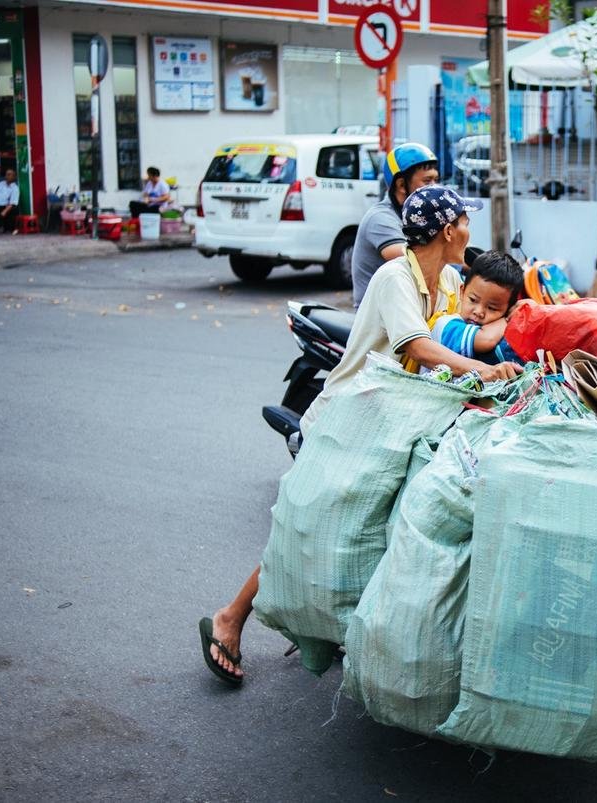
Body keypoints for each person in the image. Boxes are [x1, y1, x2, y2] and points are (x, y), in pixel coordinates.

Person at [199, 186, 521, 686]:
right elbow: (418, 344)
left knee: (371, 536)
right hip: (349, 421)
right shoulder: (396, 277)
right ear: (445, 230)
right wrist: (476, 372)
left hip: (396, 425)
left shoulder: (453, 280)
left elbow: (463, 329)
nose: (468, 230)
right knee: (306, 534)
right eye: (463, 221)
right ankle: (230, 617)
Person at [351, 142, 440, 308]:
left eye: (436, 180)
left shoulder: (420, 217)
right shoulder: (380, 218)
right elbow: (415, 262)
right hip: (378, 321)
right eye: (427, 181)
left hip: (408, 308)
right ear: (401, 185)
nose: (435, 188)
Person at [428, 250, 524, 367]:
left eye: (492, 308)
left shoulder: (494, 330)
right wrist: (509, 317)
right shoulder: (445, 325)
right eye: (473, 300)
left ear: (507, 308)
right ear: (462, 291)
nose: (479, 312)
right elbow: (486, 340)